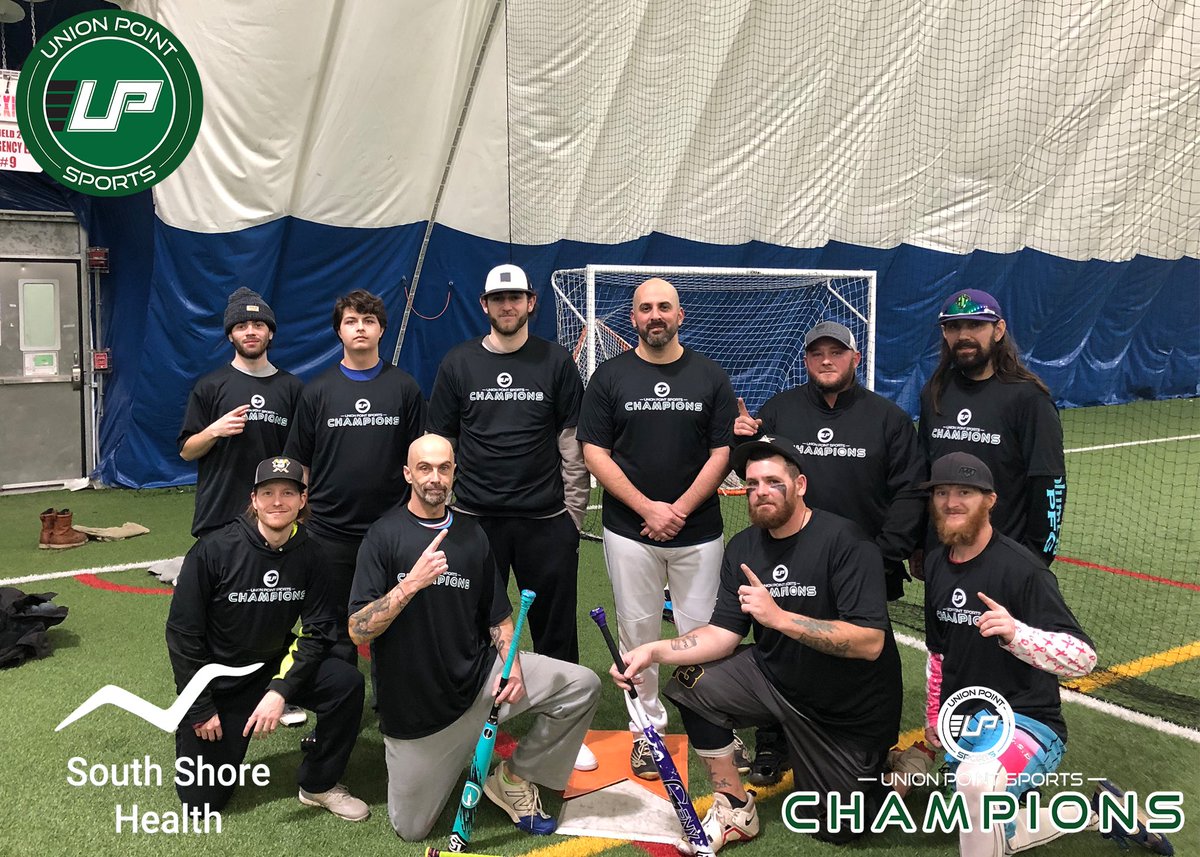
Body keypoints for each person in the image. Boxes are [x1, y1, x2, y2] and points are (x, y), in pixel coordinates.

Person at [611, 436, 903, 850]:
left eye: (773, 481)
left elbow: (870, 642)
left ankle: (901, 769)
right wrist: (651, 651)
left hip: (846, 709)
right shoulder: (745, 546)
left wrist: (779, 618)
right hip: (776, 681)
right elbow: (722, 634)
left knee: (842, 828)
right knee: (693, 681)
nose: (760, 492)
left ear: (800, 485)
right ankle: (734, 807)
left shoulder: (847, 542)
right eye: (751, 484)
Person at [347, 434, 601, 841]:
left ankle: (513, 778)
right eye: (425, 468)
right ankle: (448, 759)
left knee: (581, 685)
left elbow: (498, 618)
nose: (435, 478)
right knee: (411, 829)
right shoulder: (383, 536)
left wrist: (513, 667)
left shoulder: (472, 534)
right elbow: (358, 627)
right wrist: (410, 584)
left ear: (454, 474)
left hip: (481, 682)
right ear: (408, 474)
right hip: (417, 716)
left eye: (444, 468)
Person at [919, 451, 1172, 857]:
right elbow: (938, 652)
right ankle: (1098, 810)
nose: (951, 502)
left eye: (964, 492)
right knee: (987, 823)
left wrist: (1017, 633)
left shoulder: (1023, 569)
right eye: (942, 492)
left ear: (990, 500)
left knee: (977, 787)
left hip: (1029, 721)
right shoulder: (936, 564)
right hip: (967, 727)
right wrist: (934, 717)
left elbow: (1083, 658)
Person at [733, 319, 925, 785]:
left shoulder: (888, 419)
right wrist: (743, 438)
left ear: (855, 359)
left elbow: (911, 491)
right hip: (787, 559)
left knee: (863, 650)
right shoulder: (779, 410)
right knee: (776, 642)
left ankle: (865, 741)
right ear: (805, 361)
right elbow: (756, 471)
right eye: (816, 352)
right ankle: (773, 743)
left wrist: (881, 553)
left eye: (836, 352)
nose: (826, 360)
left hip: (861, 566)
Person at [577, 276, 741, 779]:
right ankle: (646, 732)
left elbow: (722, 452)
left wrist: (681, 509)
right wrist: (648, 508)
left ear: (679, 315)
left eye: (664, 307)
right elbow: (594, 452)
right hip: (630, 532)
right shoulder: (609, 377)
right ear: (633, 318)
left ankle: (711, 730)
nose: (655, 315)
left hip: (700, 533)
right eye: (645, 308)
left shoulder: (711, 376)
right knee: (638, 632)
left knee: (700, 634)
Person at [165, 457, 367, 821]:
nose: (278, 501)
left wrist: (280, 690)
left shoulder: (312, 554)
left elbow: (318, 631)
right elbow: (183, 636)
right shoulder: (214, 550)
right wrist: (199, 707)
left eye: (288, 492)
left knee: (346, 683)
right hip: (219, 680)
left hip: (271, 664)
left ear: (302, 500)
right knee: (199, 803)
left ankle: (319, 784)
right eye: (268, 492)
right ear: (254, 499)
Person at [426, 263, 589, 664]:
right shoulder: (458, 362)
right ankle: (479, 709)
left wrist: (574, 518)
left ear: (531, 302)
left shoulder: (556, 361)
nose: (507, 306)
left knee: (556, 630)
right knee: (474, 625)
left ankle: (559, 714)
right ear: (484, 305)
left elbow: (571, 445)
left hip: (547, 522)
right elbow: (441, 446)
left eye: (515, 297)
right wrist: (441, 512)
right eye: (498, 299)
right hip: (474, 522)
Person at [284, 289, 425, 662]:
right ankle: (341, 708)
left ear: (381, 330)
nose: (360, 328)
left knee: (396, 620)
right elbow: (300, 462)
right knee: (333, 628)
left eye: (368, 321)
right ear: (339, 331)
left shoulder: (405, 388)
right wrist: (300, 513)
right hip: (329, 530)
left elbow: (419, 459)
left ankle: (395, 700)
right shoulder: (316, 392)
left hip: (391, 528)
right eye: (351, 321)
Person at [917, 290, 1065, 571]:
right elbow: (923, 473)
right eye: (953, 326)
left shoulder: (1029, 398)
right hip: (943, 557)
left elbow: (1049, 483)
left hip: (1004, 560)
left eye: (975, 325)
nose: (963, 335)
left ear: (998, 330)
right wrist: (919, 542)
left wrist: (1038, 556)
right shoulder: (935, 392)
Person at [179, 287, 303, 538]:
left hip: (274, 513)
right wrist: (215, 430)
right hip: (220, 513)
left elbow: (303, 456)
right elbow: (187, 451)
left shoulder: (292, 388)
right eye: (241, 326)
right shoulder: (210, 386)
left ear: (270, 333)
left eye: (258, 325)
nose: (250, 332)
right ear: (230, 336)